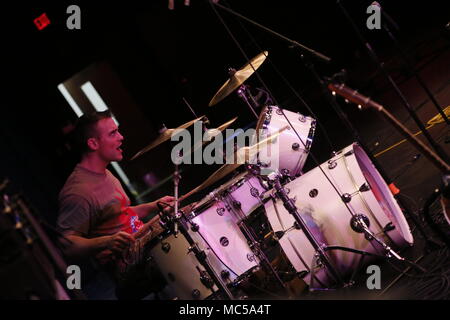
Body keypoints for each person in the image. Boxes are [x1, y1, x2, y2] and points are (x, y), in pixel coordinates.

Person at [57, 110, 177, 299]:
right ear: (93, 143)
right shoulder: (78, 191)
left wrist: (154, 205)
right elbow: (66, 244)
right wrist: (107, 241)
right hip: (132, 271)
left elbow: (118, 213)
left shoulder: (105, 172)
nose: (121, 137)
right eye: (113, 133)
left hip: (145, 250)